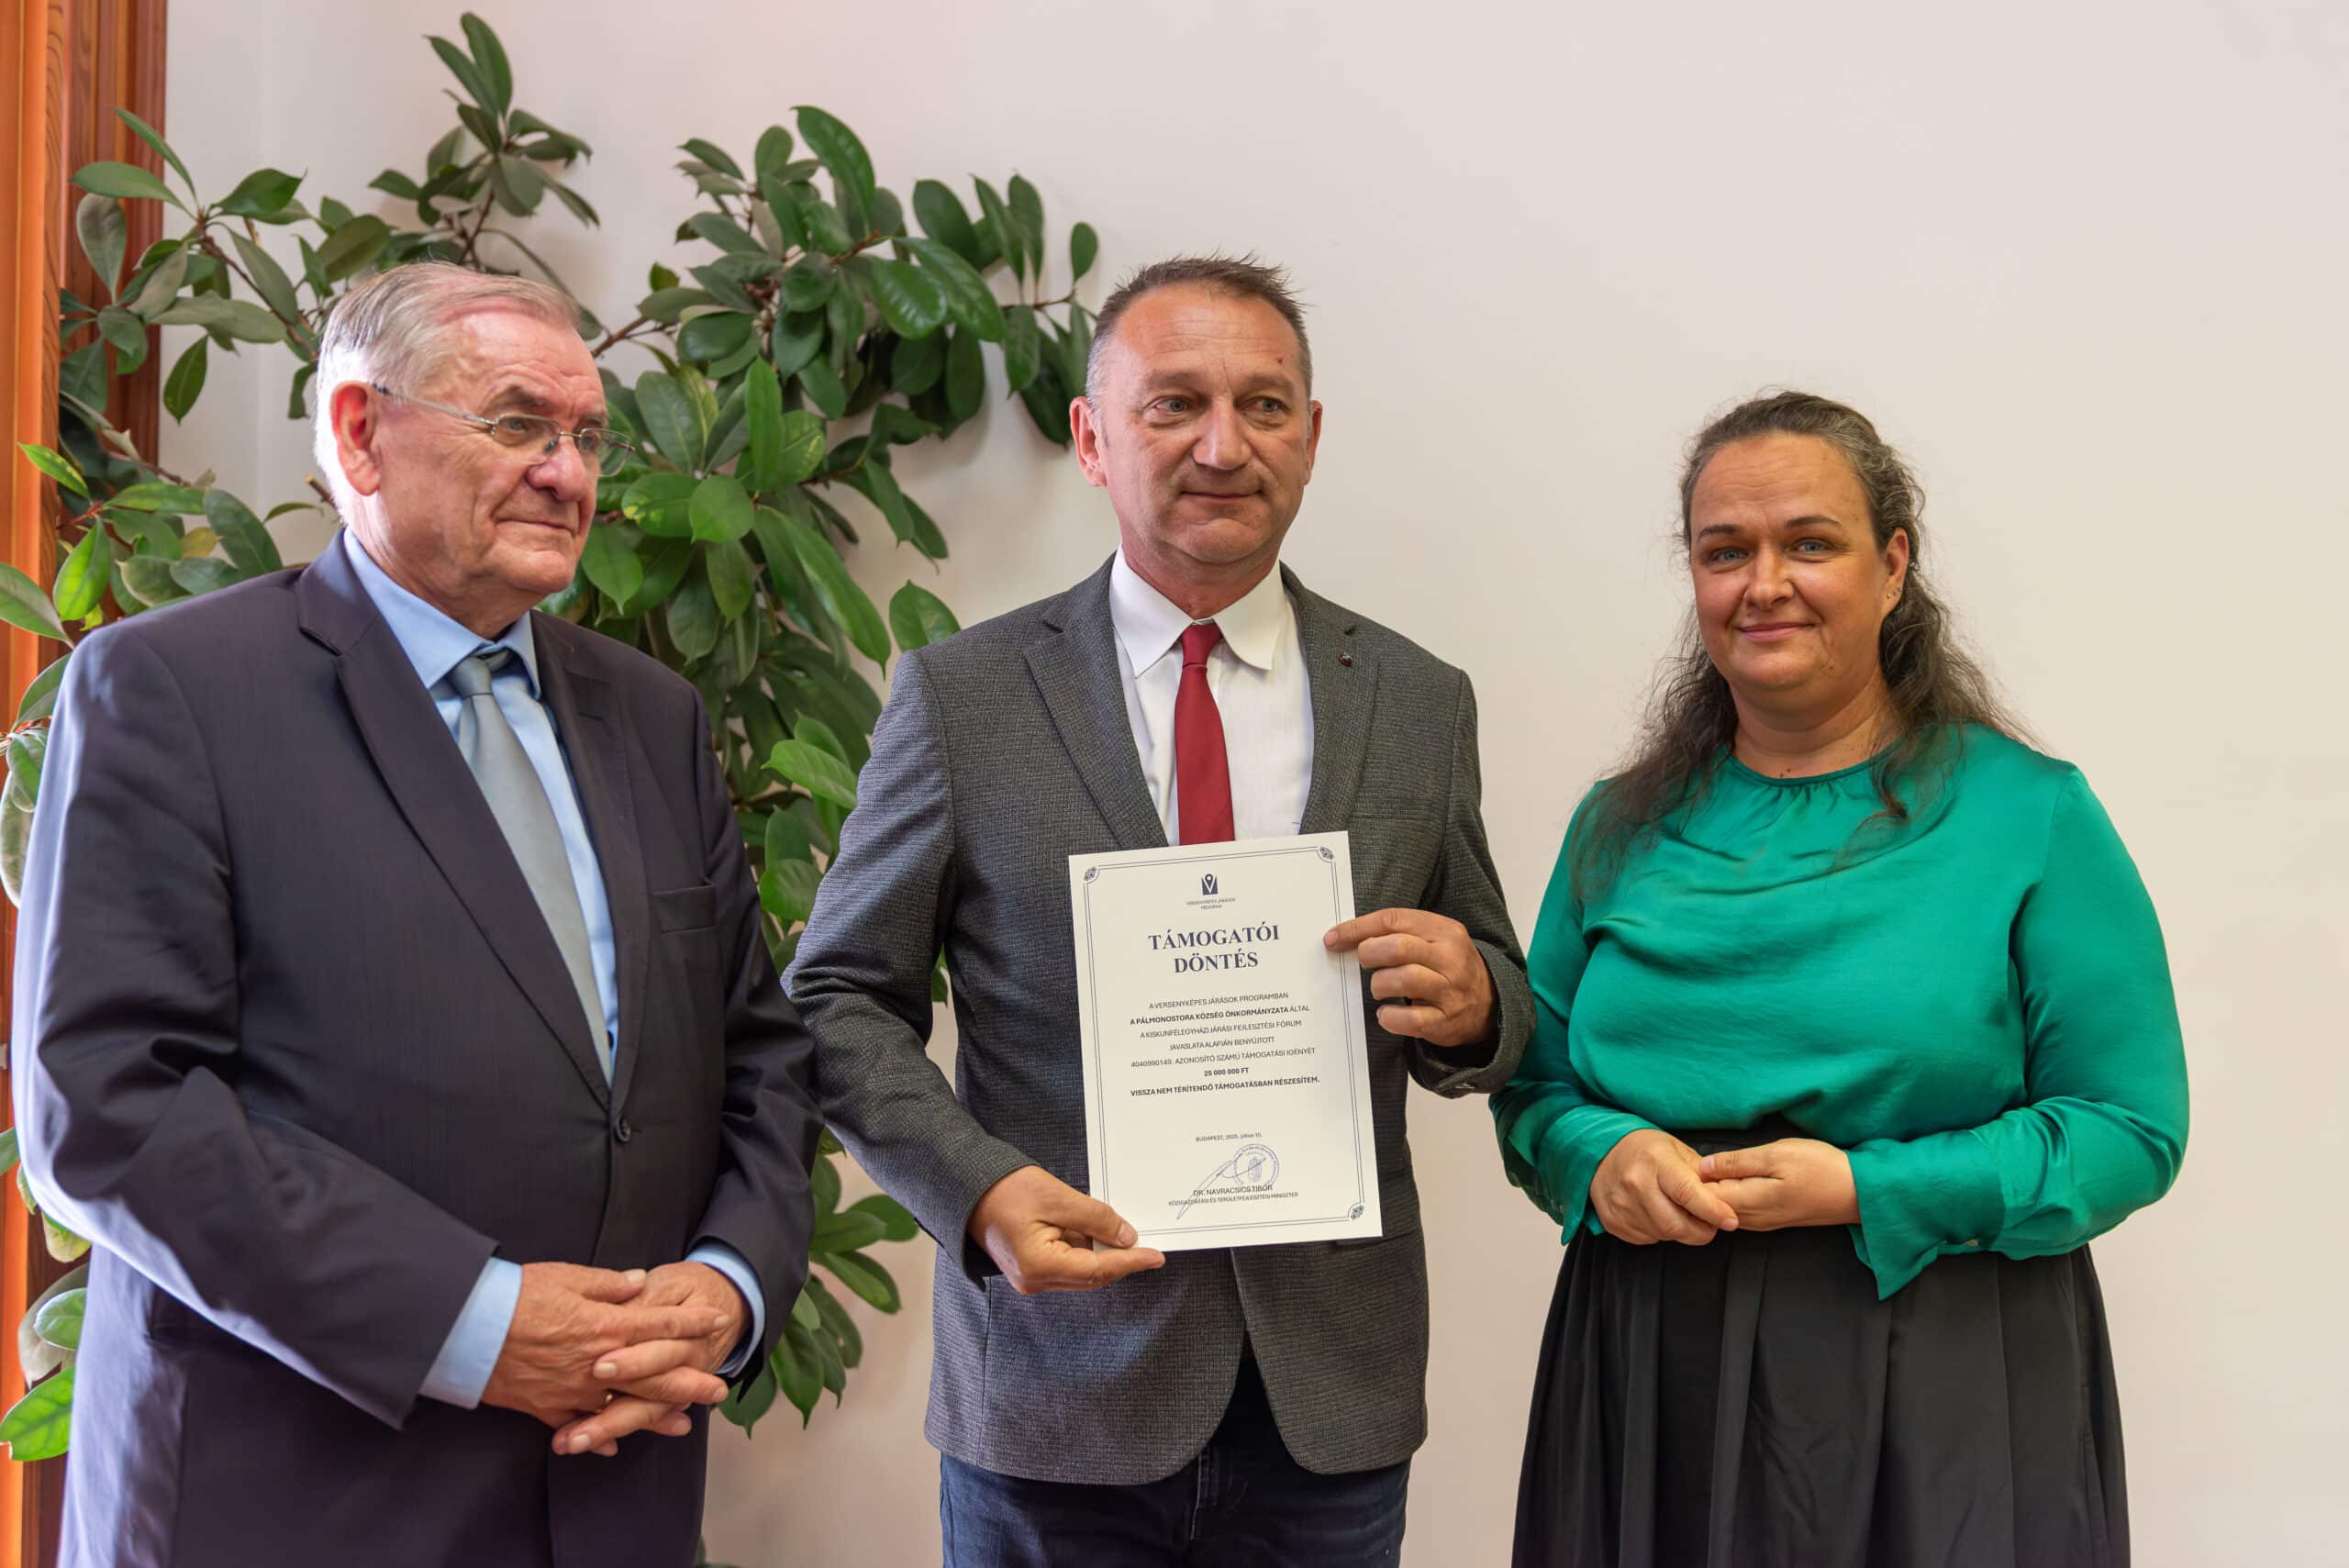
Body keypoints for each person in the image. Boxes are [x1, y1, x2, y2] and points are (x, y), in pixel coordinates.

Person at [9, 262, 821, 1567]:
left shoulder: (653, 717)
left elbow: (760, 1055)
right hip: (292, 1499)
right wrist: (474, 1323)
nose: (569, 473)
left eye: (588, 435)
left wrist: (729, 1284)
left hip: (612, 1494)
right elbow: (110, 1106)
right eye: (518, 423)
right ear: (359, 433)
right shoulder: (170, 690)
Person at [788, 255, 1532, 1566]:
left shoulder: (1418, 699)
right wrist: (978, 1194)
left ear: (1311, 438)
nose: (1223, 445)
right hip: (1055, 1394)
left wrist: (1474, 1002)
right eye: (1175, 403)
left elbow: (1491, 983)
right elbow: (838, 997)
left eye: (1264, 405)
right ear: (1092, 438)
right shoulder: (964, 698)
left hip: (1329, 1398)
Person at [1492, 390, 2189, 1567]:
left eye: (1808, 543)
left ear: (1893, 565)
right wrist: (1596, 1155)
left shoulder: (2029, 813)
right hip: (1649, 1368)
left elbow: (2128, 1128)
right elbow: (1533, 1083)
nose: (1763, 584)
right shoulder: (1616, 824)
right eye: (1725, 551)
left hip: (1942, 1369)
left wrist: (1866, 1186)